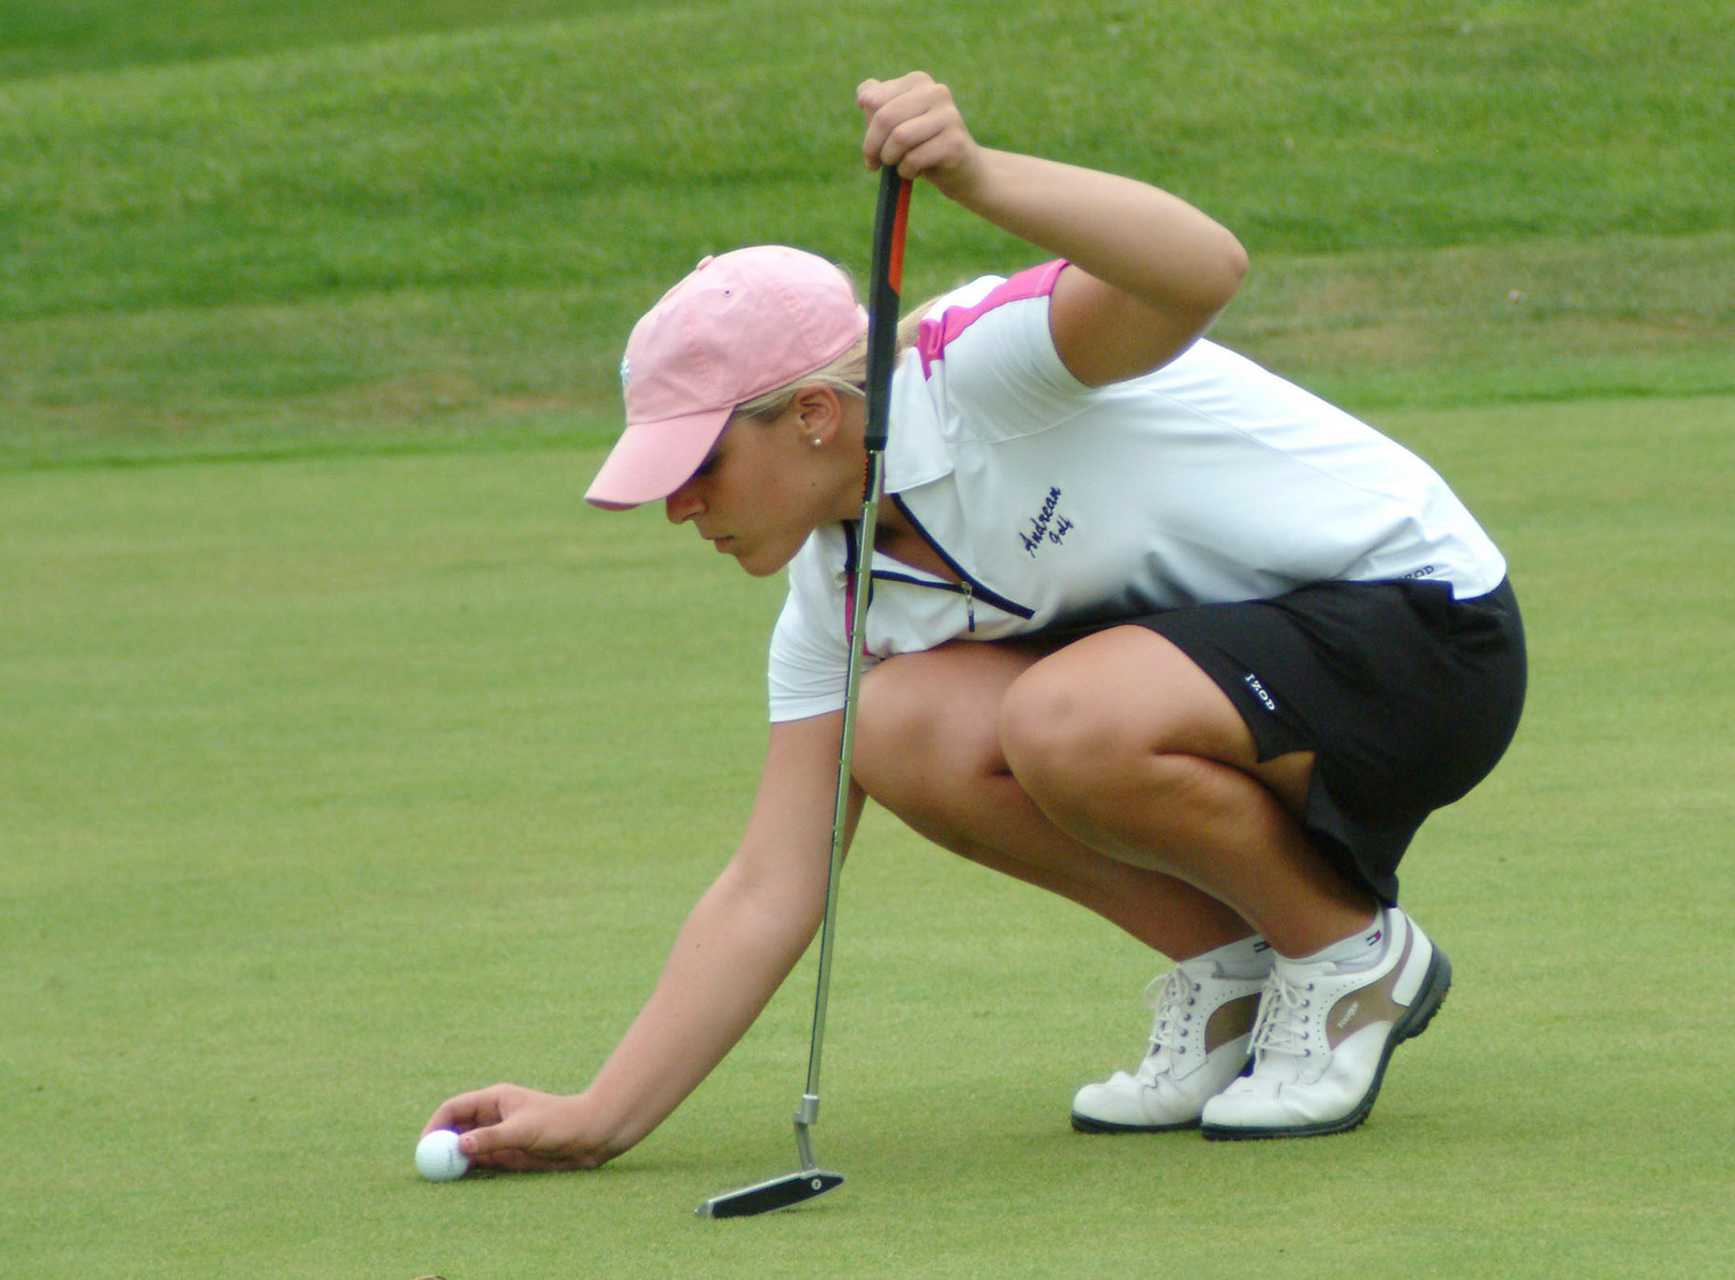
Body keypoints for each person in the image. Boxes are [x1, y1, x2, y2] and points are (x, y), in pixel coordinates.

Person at [424, 71, 1525, 1170]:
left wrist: (978, 173)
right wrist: (599, 1113)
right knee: (897, 723)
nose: (678, 505)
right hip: (1240, 684)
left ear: (814, 415)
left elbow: (1204, 267)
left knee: (1063, 718)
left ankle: (1346, 954)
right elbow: (773, 879)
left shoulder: (986, 369)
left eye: (699, 463)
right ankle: (1240, 968)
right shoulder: (836, 597)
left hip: (1425, 634)